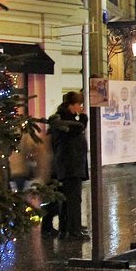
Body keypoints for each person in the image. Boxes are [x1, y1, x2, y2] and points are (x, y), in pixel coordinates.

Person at [49, 91, 89, 239]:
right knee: (73, 199)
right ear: (72, 105)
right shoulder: (64, 120)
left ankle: (65, 229)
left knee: (66, 199)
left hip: (69, 165)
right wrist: (84, 117)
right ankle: (73, 231)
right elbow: (77, 128)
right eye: (79, 104)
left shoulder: (64, 117)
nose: (81, 108)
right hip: (70, 165)